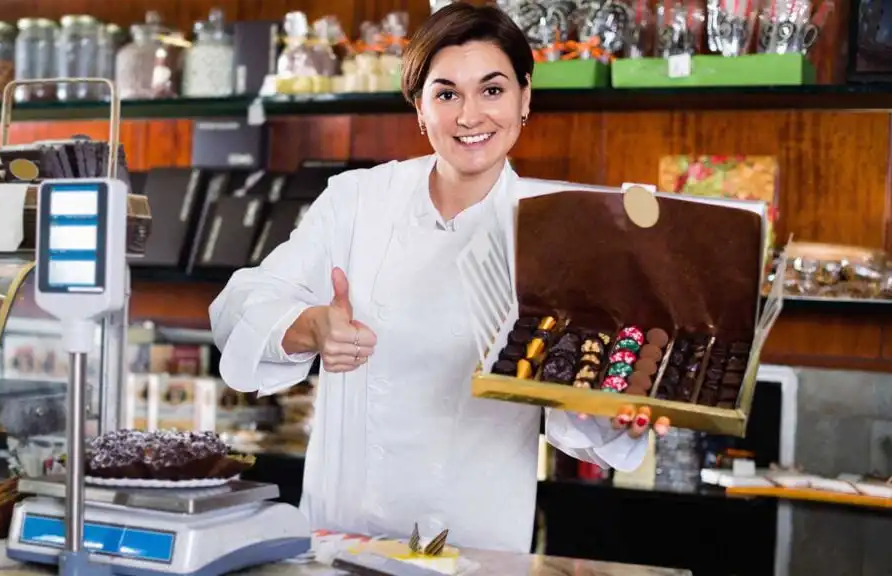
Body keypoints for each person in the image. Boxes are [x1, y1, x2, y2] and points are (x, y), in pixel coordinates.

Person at [210, 3, 670, 554]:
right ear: (420, 108)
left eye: (492, 90)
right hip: (343, 537)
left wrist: (624, 414)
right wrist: (308, 327)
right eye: (446, 93)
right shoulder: (358, 201)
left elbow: (573, 413)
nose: (470, 116)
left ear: (526, 98)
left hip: (478, 543)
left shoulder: (560, 229)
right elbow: (236, 307)